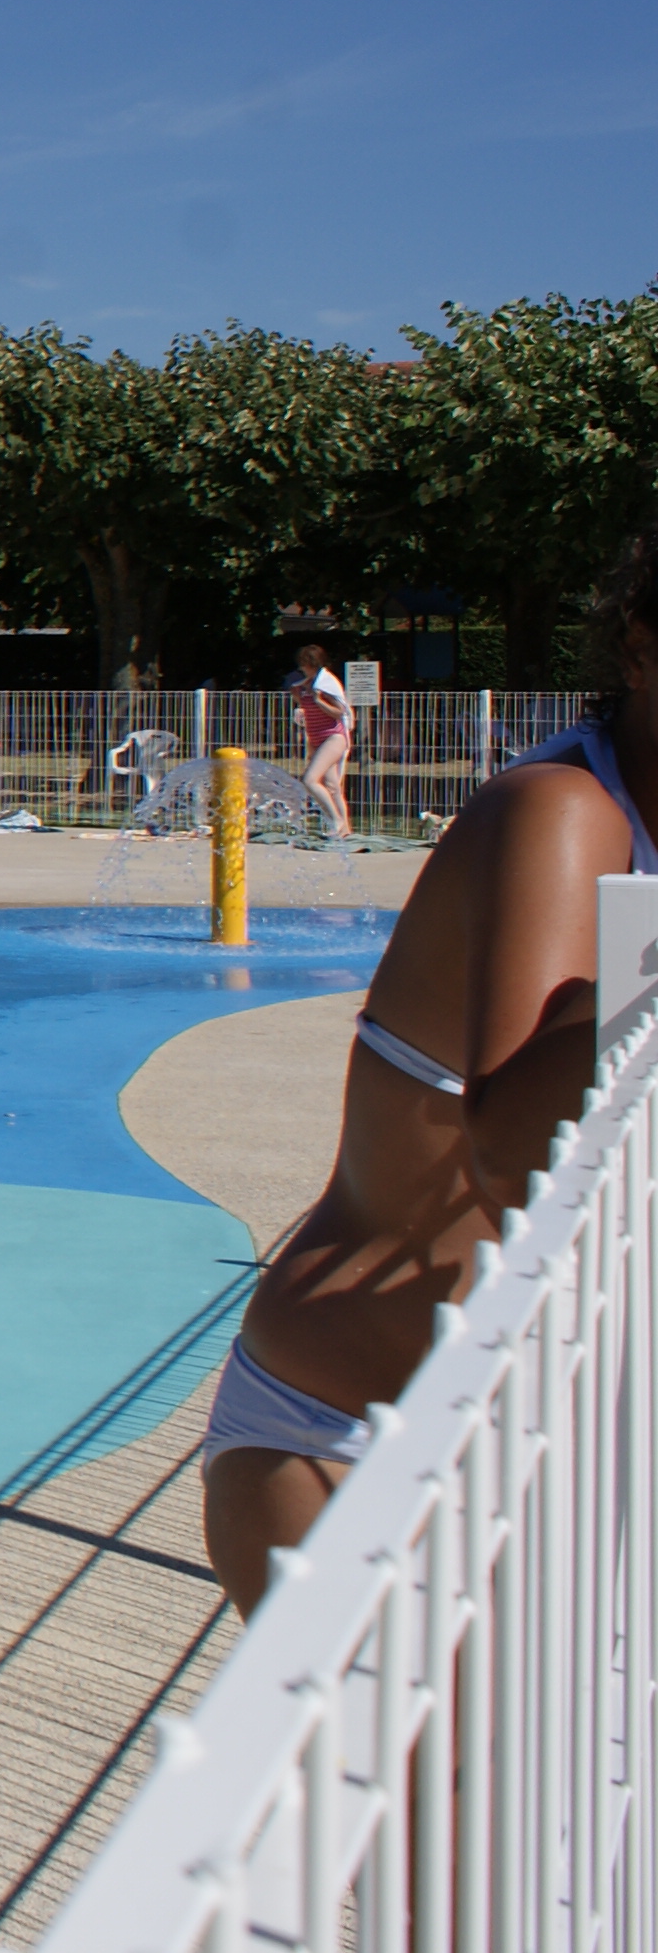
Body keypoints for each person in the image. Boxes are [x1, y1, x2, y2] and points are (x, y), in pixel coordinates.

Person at [203, 529, 658, 1615]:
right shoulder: (559, 814)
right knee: (435, 1793)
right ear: (637, 648)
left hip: (543, 1445)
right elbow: (510, 1159)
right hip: (346, 1444)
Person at [293, 642, 356, 840]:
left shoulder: (325, 685)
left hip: (333, 737)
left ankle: (335, 819)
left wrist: (319, 701)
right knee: (332, 786)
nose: (302, 667)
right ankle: (344, 828)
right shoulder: (307, 685)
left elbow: (340, 711)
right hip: (317, 737)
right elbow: (304, 703)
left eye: (304, 663)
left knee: (310, 779)